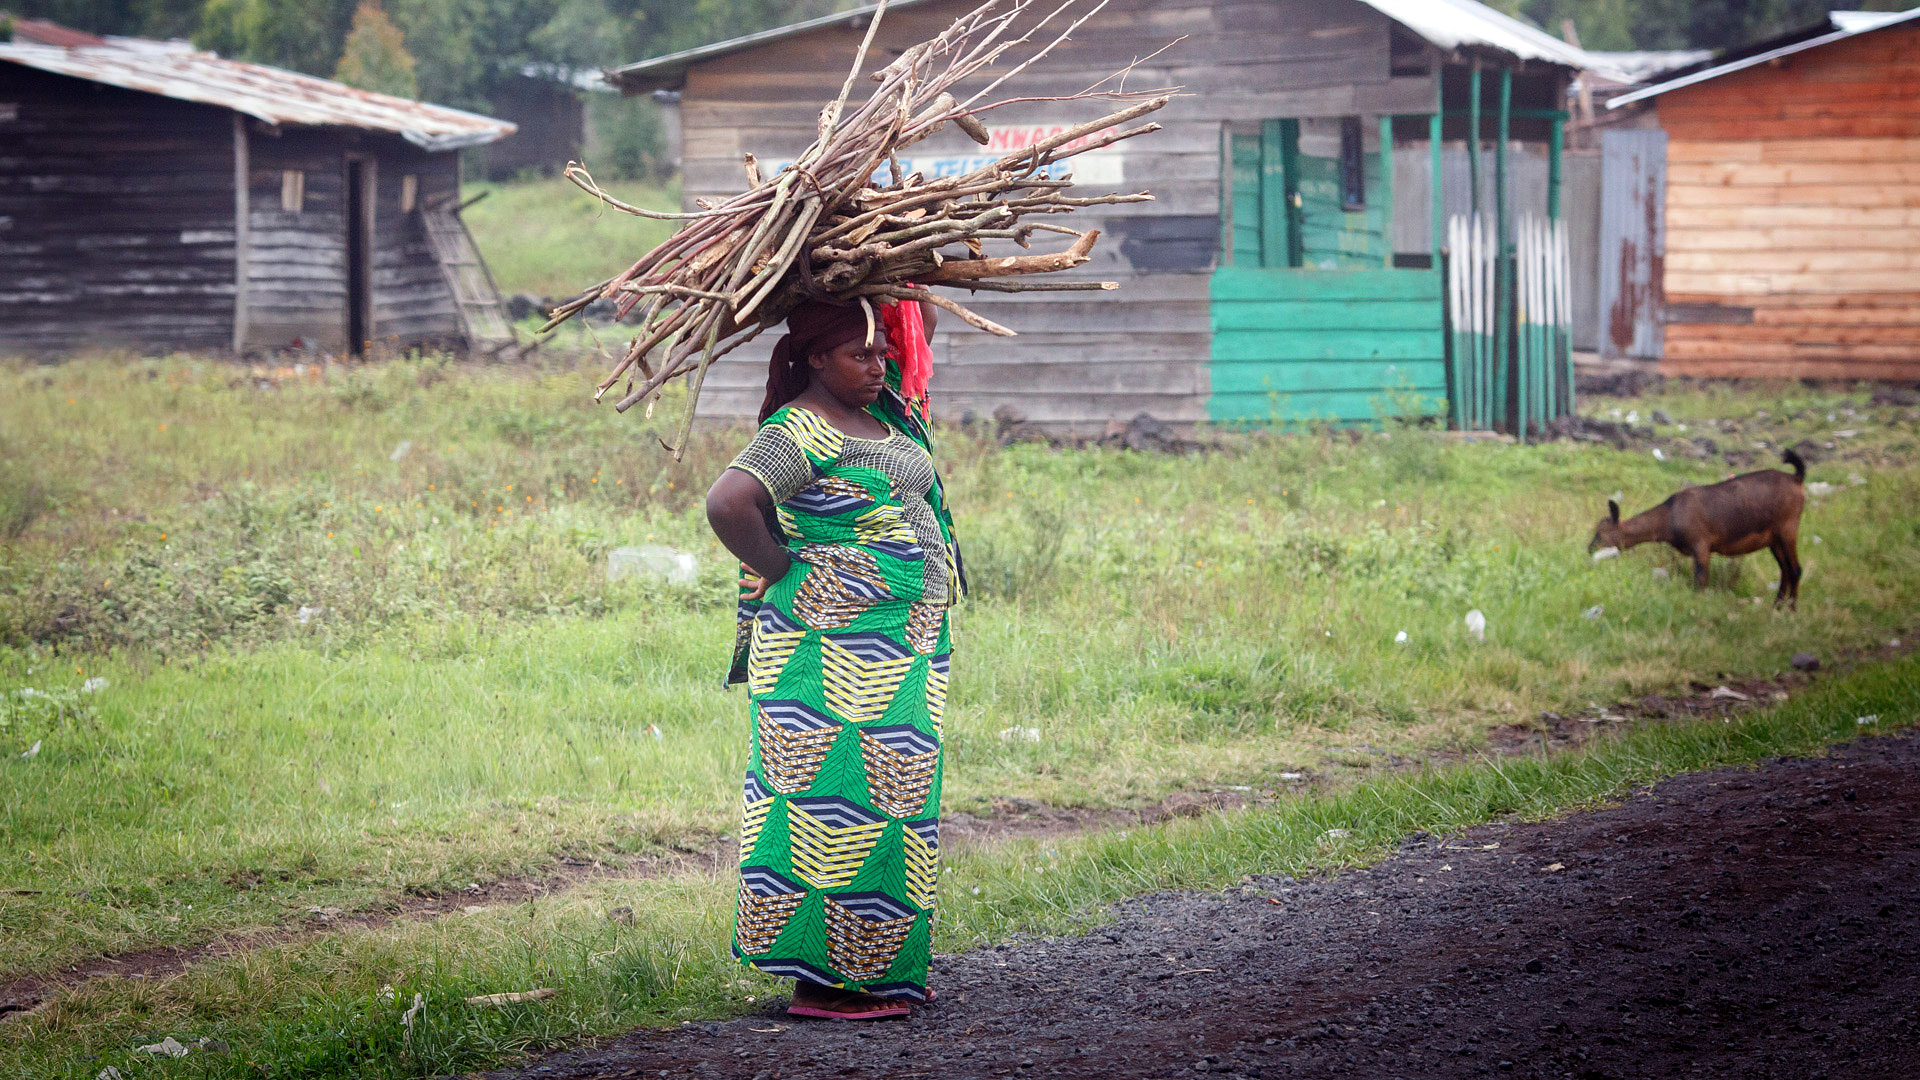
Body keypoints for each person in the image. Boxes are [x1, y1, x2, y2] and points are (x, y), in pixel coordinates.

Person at [705, 296, 960, 1020]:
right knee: (835, 800)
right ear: (816, 358)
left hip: (901, 644)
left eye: (882, 352)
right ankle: (827, 985)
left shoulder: (885, 412)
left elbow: (920, 323)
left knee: (896, 805)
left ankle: (876, 969)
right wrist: (784, 566)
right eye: (860, 354)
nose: (879, 365)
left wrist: (897, 269)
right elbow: (729, 504)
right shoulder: (802, 429)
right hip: (829, 649)